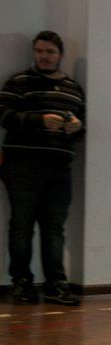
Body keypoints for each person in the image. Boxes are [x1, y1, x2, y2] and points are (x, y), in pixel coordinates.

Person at [0, 31, 85, 306]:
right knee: (21, 227)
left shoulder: (73, 89)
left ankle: (55, 285)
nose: (43, 56)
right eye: (39, 51)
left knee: (54, 229)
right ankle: (22, 283)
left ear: (60, 55)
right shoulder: (19, 82)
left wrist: (76, 127)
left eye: (49, 52)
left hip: (59, 169)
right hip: (22, 166)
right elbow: (3, 114)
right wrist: (39, 120)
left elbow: (81, 129)